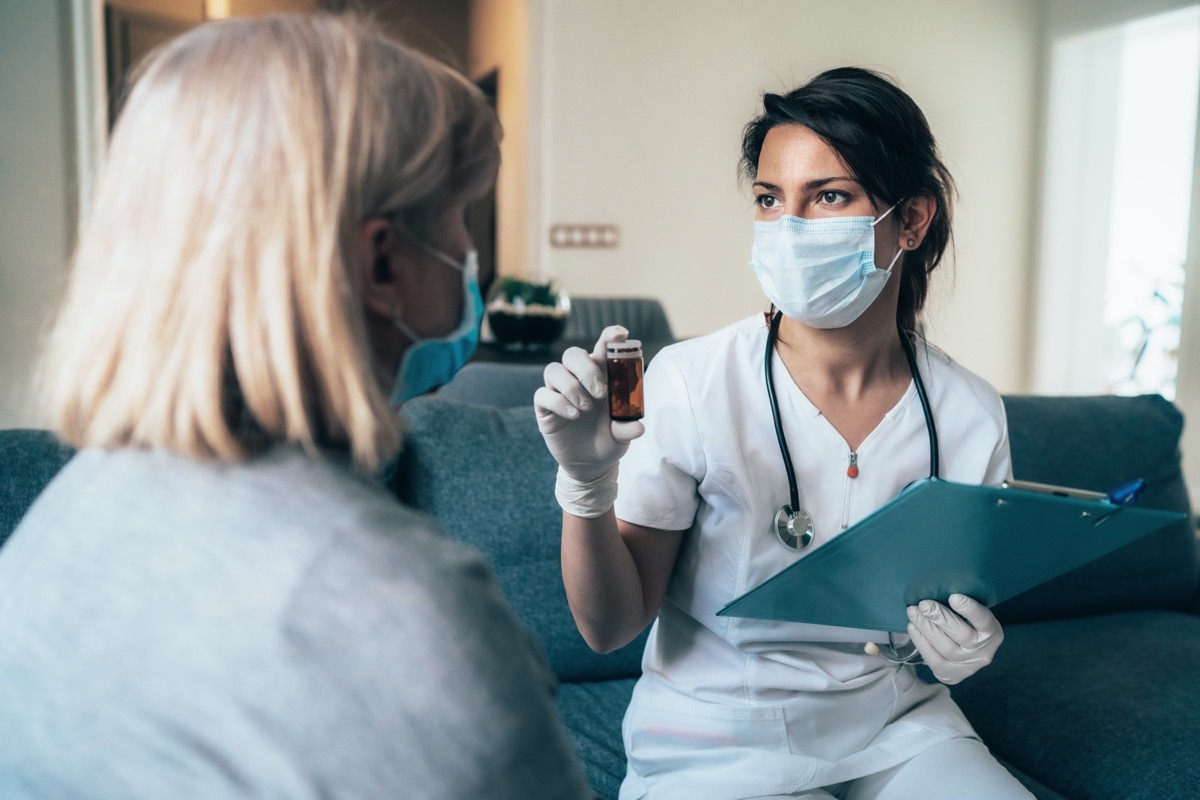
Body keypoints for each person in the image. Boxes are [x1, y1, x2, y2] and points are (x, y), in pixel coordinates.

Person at [0, 14, 590, 800]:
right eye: (461, 218)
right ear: (382, 261)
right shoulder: (399, 606)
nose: (471, 257)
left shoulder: (60, 521)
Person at [535, 68, 1034, 799]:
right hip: (716, 740)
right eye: (771, 200)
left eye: (829, 196)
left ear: (913, 220)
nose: (790, 228)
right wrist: (587, 484)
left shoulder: (968, 410)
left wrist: (958, 649)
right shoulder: (692, 380)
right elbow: (609, 629)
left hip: (897, 727)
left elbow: (953, 603)